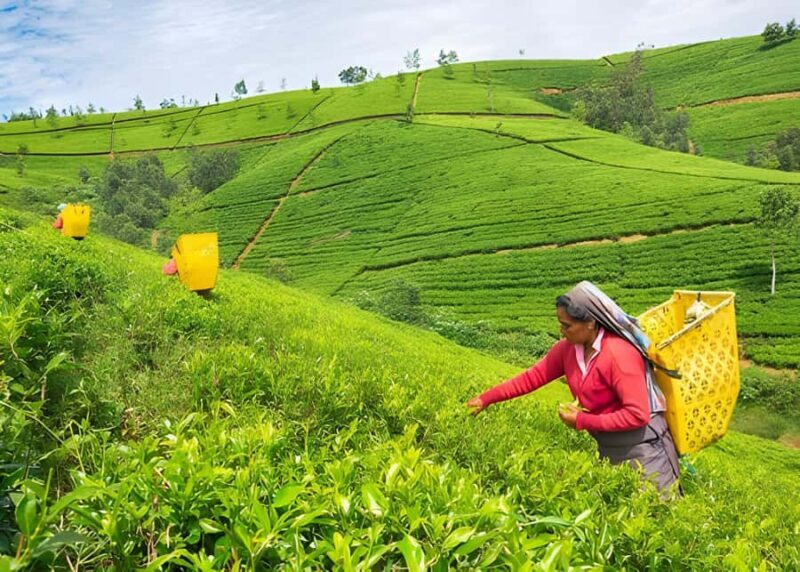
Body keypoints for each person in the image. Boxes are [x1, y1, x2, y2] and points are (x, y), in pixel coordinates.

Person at [466, 280, 680, 494]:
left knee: (656, 508)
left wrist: (582, 420)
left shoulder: (619, 354)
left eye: (567, 325)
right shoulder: (568, 350)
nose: (561, 331)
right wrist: (486, 398)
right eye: (560, 324)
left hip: (645, 449)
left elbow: (637, 415)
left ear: (590, 323)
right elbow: (531, 378)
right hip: (608, 446)